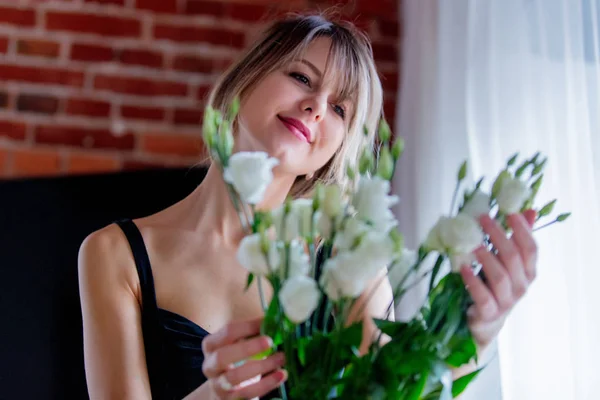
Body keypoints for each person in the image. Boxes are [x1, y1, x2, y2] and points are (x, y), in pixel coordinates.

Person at [78, 11, 539, 400]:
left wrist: (472, 338)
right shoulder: (114, 254)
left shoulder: (349, 261)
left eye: (340, 109)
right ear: (246, 78)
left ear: (336, 149)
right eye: (301, 77)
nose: (317, 106)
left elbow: (394, 391)